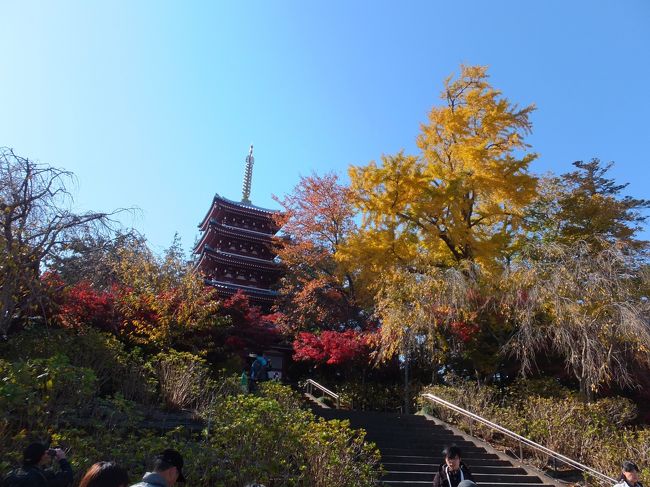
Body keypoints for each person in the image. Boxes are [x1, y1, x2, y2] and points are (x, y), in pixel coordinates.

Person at [2, 442, 74, 487]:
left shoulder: (12, 474)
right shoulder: (38, 479)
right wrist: (62, 459)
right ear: (42, 457)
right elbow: (67, 477)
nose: (48, 454)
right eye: (46, 453)